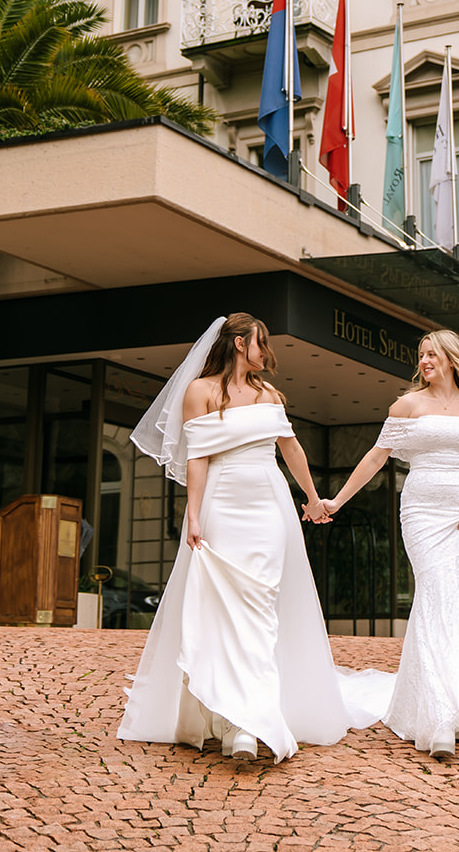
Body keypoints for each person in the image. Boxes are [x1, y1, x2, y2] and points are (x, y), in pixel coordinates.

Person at [116, 312, 349, 763]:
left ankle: (248, 722)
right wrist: (195, 514)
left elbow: (291, 448)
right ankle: (228, 719)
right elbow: (198, 458)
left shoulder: (269, 395)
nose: (269, 353)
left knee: (260, 610)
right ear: (241, 343)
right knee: (223, 611)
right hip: (222, 504)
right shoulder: (199, 392)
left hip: (268, 505)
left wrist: (314, 498)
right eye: (262, 342)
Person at [323, 329, 459, 760]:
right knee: (435, 594)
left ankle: (458, 705)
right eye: (421, 355)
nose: (424, 361)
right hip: (423, 512)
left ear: (451, 359)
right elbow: (377, 456)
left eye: (432, 354)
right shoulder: (407, 406)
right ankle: (440, 717)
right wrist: (336, 499)